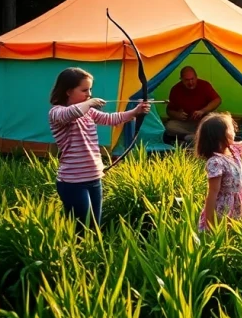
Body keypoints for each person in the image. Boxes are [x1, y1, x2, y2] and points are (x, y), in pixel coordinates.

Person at [48, 67, 151, 228]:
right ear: (68, 91)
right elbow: (70, 114)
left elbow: (111, 119)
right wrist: (89, 103)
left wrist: (135, 112)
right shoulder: (56, 112)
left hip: (94, 178)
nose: (89, 94)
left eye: (90, 89)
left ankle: (92, 251)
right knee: (81, 228)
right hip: (73, 182)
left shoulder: (88, 112)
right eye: (84, 90)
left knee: (94, 226)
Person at [165, 66, 222, 147]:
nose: (190, 82)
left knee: (216, 122)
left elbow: (217, 100)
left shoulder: (204, 85)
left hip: (203, 122)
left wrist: (203, 111)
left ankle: (190, 139)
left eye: (192, 79)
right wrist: (177, 115)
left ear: (196, 77)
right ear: (181, 79)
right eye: (187, 80)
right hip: (186, 124)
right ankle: (195, 137)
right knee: (170, 126)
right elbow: (169, 110)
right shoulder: (176, 89)